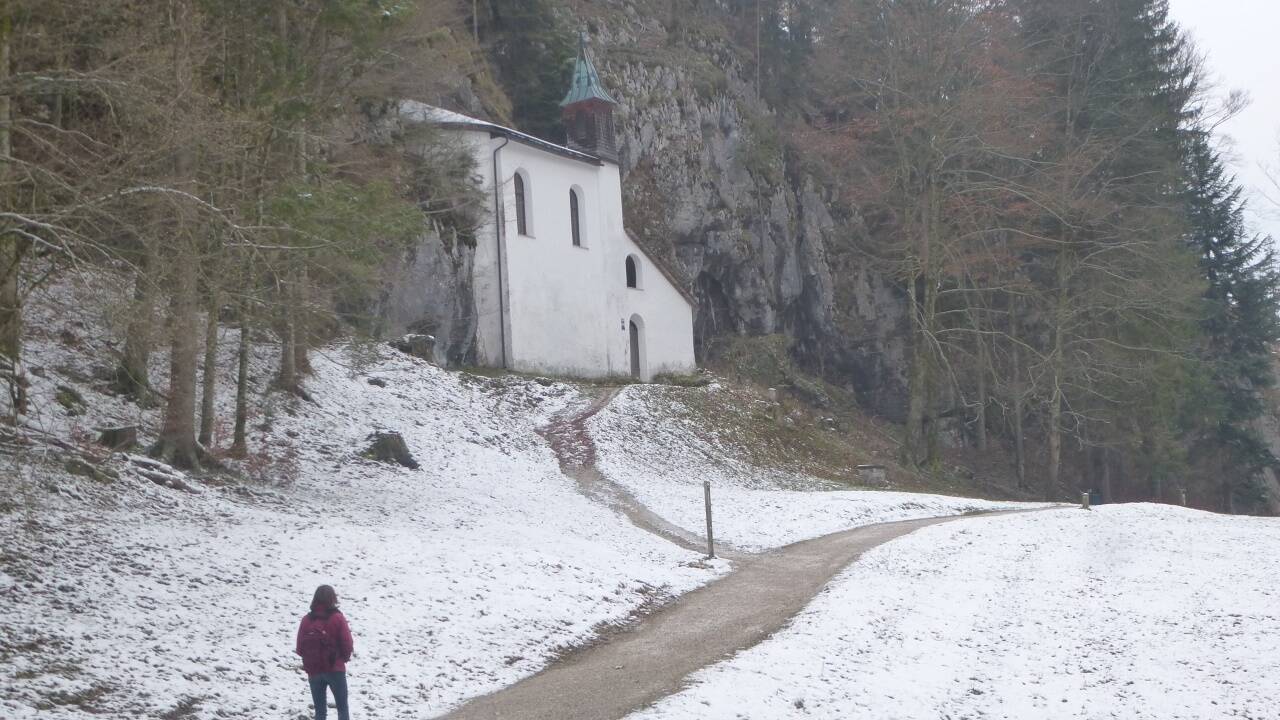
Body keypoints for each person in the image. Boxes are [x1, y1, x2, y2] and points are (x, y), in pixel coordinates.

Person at [296, 584, 354, 720]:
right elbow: (347, 642)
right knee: (342, 709)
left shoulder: (306, 620)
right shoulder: (337, 617)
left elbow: (299, 647)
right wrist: (342, 659)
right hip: (335, 669)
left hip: (314, 671)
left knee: (320, 712)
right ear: (332, 598)